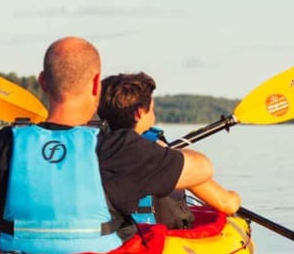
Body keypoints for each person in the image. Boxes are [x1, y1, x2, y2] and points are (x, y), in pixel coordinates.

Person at [0, 37, 237, 254]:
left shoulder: (4, 144)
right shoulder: (120, 149)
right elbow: (203, 168)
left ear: (42, 83)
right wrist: (161, 151)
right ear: (96, 85)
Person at [97, 71, 241, 229]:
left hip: (113, 234)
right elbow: (227, 203)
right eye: (152, 109)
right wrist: (236, 198)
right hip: (157, 239)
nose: (154, 114)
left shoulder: (92, 146)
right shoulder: (157, 156)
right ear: (139, 113)